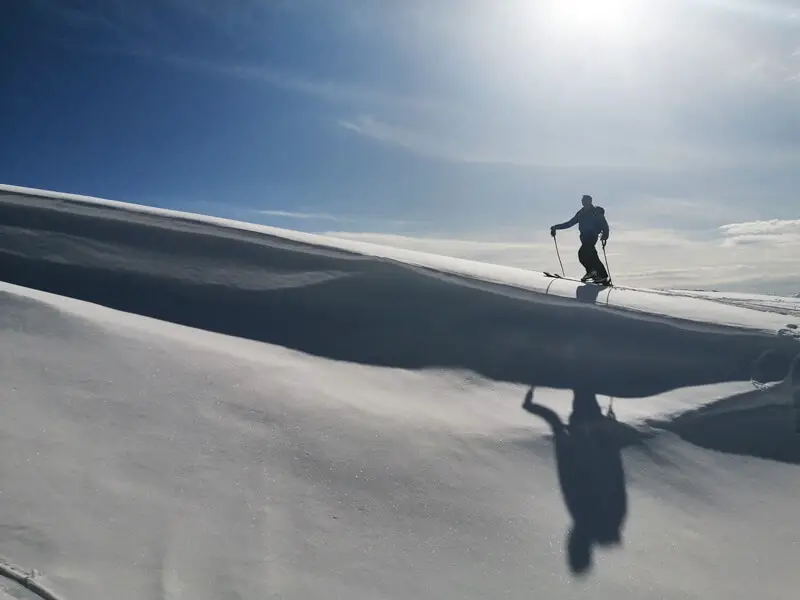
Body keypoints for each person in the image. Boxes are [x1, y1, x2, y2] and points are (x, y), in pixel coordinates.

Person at [550, 194, 610, 284]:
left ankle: (596, 273)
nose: (583, 202)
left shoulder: (596, 211)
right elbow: (570, 223)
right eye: (583, 200)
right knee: (591, 255)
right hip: (584, 237)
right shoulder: (581, 213)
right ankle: (598, 274)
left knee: (582, 254)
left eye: (585, 200)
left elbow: (604, 224)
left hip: (591, 236)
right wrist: (556, 227)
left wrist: (605, 235)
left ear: (590, 201)